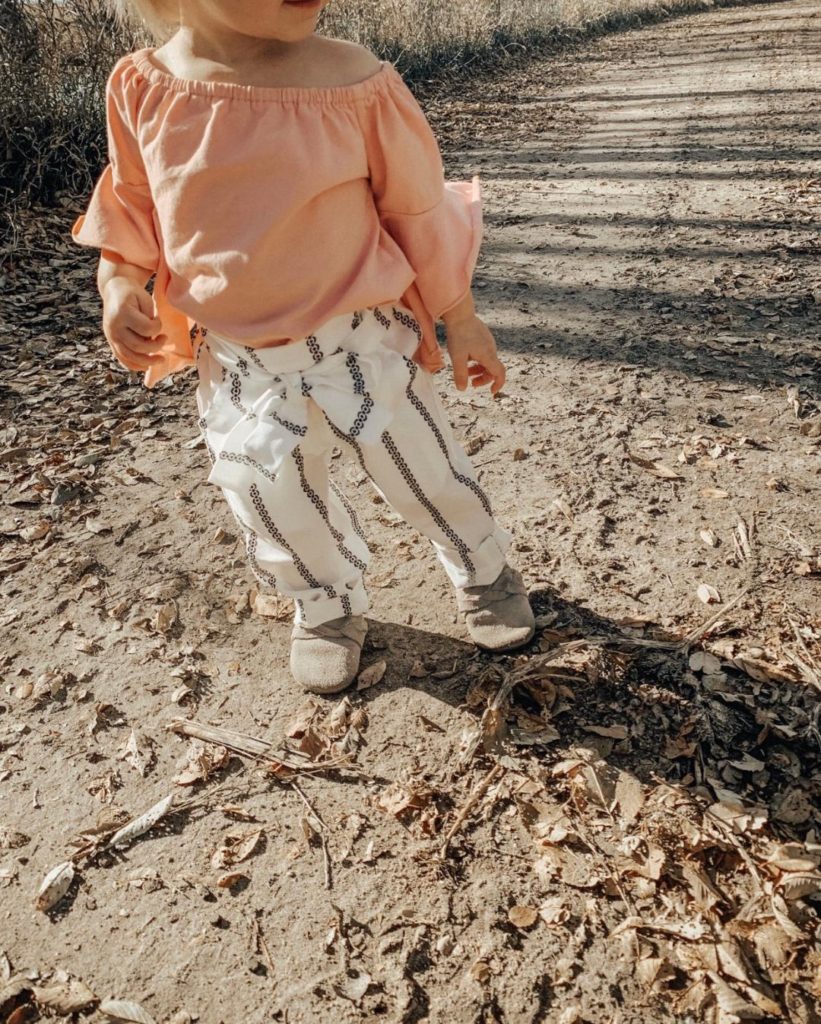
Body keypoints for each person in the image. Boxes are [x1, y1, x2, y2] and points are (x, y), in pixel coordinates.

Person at [71, 0, 536, 695]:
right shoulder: (144, 85)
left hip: (360, 343)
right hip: (236, 361)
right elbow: (133, 203)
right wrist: (117, 282)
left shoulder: (354, 82)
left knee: (424, 469)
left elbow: (415, 212)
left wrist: (459, 317)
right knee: (270, 495)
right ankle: (323, 603)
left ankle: (483, 566)